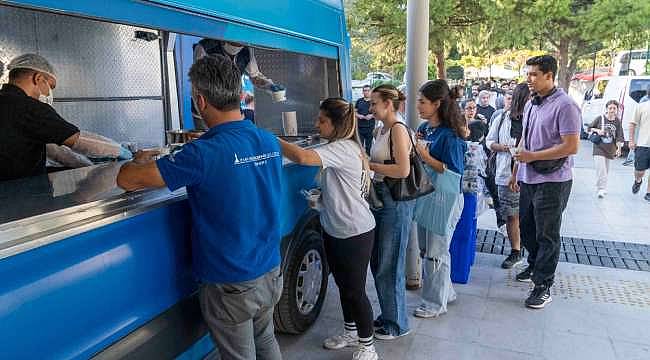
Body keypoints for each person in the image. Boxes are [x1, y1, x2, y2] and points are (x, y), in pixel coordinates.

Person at [117, 55, 284, 359]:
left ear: (200, 101)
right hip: (270, 268)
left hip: (230, 281)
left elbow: (127, 179)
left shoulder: (202, 153)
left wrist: (139, 159)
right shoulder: (268, 140)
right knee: (266, 340)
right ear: (238, 94)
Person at [278, 98, 378, 360]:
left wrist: (270, 140)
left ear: (336, 124)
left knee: (355, 290)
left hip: (355, 231)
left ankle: (368, 346)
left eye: (322, 120)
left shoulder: (344, 148)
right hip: (335, 227)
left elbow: (301, 156)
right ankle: (350, 331)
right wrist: (321, 199)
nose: (316, 124)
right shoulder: (337, 146)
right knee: (343, 285)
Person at [508, 55, 580, 309]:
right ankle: (534, 265)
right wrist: (516, 170)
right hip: (528, 177)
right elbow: (524, 139)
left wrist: (532, 157)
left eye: (534, 74)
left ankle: (543, 285)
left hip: (553, 180)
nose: (529, 79)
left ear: (549, 75)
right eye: (528, 74)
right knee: (527, 228)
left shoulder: (566, 106)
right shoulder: (531, 104)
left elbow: (571, 146)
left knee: (547, 233)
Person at [0, 53, 130, 182]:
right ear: (38, 78)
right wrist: (119, 151)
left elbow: (52, 149)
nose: (50, 93)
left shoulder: (7, 103)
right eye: (51, 87)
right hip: (21, 194)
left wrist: (87, 166)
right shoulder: (30, 107)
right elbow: (80, 141)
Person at [413, 80, 467, 318]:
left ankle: (434, 304)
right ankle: (447, 292)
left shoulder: (450, 136)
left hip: (445, 198)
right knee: (429, 248)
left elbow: (454, 172)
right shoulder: (426, 129)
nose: (418, 106)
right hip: (429, 194)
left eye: (423, 102)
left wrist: (425, 155)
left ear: (437, 104)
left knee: (436, 250)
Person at [367, 84, 414, 340]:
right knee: (379, 261)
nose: (370, 107)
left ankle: (397, 324)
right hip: (382, 199)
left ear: (388, 104)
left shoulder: (397, 129)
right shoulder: (382, 129)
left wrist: (370, 164)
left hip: (395, 201)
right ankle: (388, 315)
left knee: (390, 263)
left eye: (374, 103)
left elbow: (403, 170)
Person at [192, 38, 284, 129]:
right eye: (235, 43)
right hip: (208, 108)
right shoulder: (205, 48)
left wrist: (269, 86)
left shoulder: (246, 50)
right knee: (211, 139)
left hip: (231, 108)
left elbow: (255, 76)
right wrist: (202, 113)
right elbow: (198, 85)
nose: (239, 46)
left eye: (241, 44)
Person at [486, 83, 530, 269]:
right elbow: (489, 142)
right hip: (505, 173)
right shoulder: (502, 117)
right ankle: (516, 250)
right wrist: (504, 148)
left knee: (529, 216)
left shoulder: (535, 118)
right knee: (511, 215)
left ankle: (531, 251)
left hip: (529, 175)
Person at [588, 100, 624, 198]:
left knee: (606, 170)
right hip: (598, 147)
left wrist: (619, 149)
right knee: (601, 169)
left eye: (614, 108)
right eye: (610, 108)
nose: (612, 110)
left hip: (610, 149)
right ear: (607, 109)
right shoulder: (600, 118)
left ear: (617, 110)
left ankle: (602, 187)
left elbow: (619, 136)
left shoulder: (617, 121)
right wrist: (597, 130)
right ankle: (601, 189)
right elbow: (589, 128)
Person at [630, 100, 650, 202]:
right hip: (643, 144)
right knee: (639, 171)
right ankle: (638, 181)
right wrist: (632, 140)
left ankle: (648, 192)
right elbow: (633, 124)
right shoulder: (641, 106)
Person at [356, 85, 376, 155]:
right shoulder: (359, 101)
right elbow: (354, 112)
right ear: (362, 92)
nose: (366, 92)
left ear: (370, 91)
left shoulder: (373, 102)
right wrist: (359, 115)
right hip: (360, 127)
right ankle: (361, 160)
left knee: (369, 146)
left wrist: (372, 115)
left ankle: (368, 159)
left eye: (368, 90)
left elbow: (377, 112)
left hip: (370, 127)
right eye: (364, 90)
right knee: (359, 146)